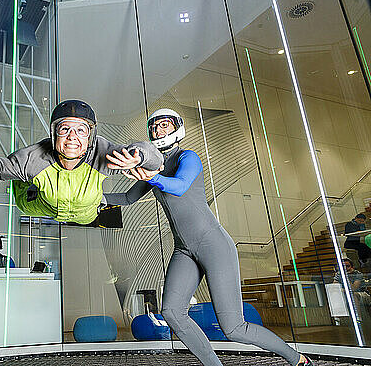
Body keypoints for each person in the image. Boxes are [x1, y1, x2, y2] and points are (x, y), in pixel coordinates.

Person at [105, 109, 313, 366]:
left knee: (234, 328)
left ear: (177, 129)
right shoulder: (154, 166)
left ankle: (298, 359)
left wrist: (152, 177)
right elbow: (126, 198)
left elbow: (180, 186)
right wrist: (90, 200)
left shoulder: (187, 157)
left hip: (213, 244)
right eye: (154, 127)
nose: (158, 131)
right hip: (184, 250)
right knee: (172, 312)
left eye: (164, 125)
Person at [0, 99, 163, 225]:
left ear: (90, 136)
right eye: (65, 129)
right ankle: (25, 181)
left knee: (89, 195)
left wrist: (140, 157)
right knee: (23, 176)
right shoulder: (33, 158)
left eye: (81, 130)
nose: (73, 137)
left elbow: (153, 157)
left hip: (86, 213)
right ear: (54, 134)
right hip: (36, 204)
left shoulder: (103, 153)